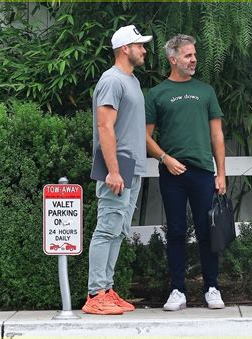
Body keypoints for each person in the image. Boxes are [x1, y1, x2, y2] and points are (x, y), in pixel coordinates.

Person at [145, 34, 226, 311]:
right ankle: (177, 290)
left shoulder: (206, 91)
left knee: (207, 231)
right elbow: (146, 138)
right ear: (173, 59)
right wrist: (165, 158)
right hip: (173, 175)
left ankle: (212, 287)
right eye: (188, 55)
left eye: (194, 55)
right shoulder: (156, 94)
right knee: (177, 231)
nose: (193, 60)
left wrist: (221, 173)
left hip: (203, 172)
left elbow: (217, 135)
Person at [82, 25, 152, 315]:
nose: (144, 50)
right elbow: (104, 126)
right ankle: (94, 294)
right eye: (140, 46)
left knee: (119, 230)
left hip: (131, 166)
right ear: (125, 48)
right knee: (107, 228)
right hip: (117, 165)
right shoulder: (111, 81)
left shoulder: (131, 80)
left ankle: (107, 289)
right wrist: (113, 171)